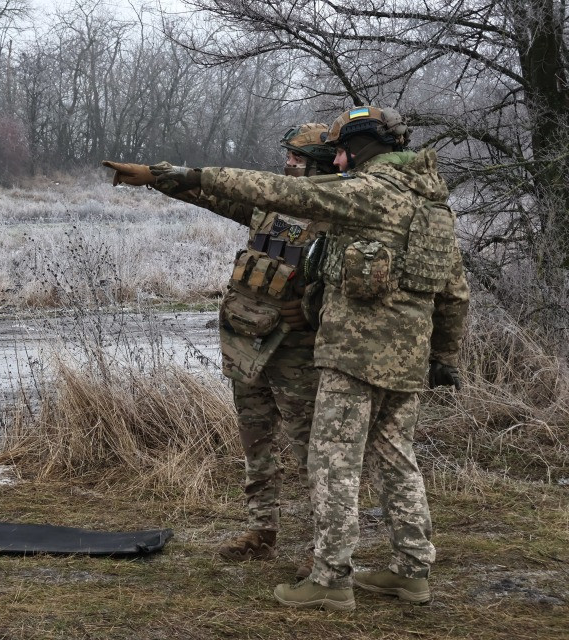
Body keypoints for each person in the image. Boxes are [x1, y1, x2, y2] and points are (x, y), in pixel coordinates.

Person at [147, 106, 470, 610]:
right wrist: (444, 354)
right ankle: (412, 570)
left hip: (352, 355)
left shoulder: (365, 195)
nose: (338, 160)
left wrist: (195, 174)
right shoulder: (432, 206)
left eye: (341, 151)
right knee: (397, 461)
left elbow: (285, 195)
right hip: (404, 360)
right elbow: (455, 293)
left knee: (331, 462)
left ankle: (331, 578)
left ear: (359, 149)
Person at [105, 125, 335, 577]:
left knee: (313, 450)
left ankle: (325, 545)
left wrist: (312, 313)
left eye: (297, 158)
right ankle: (261, 530)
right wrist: (155, 176)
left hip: (299, 350)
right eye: (287, 155)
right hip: (249, 338)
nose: (288, 163)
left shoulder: (343, 214)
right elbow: (210, 192)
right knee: (255, 439)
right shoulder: (271, 203)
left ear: (323, 162)